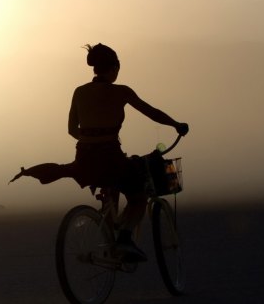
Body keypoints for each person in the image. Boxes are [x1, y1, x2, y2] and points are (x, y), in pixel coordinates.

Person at [68, 43, 189, 262]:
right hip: (111, 157)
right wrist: (176, 124)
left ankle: (111, 223)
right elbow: (151, 112)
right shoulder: (121, 92)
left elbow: (71, 130)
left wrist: (91, 140)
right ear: (114, 68)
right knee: (138, 196)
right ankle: (124, 238)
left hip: (84, 158)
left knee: (110, 183)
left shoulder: (79, 92)